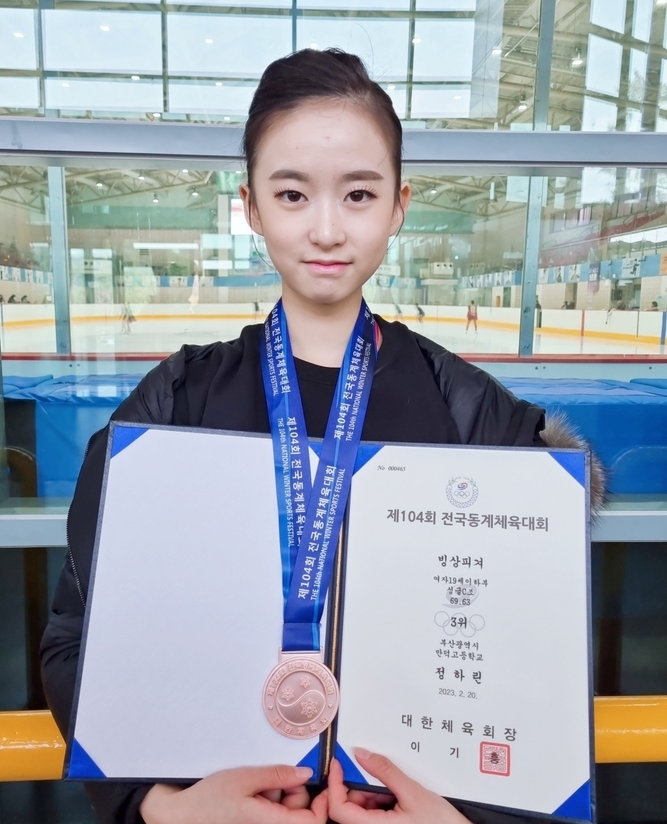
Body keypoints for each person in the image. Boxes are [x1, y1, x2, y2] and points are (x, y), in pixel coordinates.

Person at [41, 48, 591, 824]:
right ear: (251, 207)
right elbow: (76, 641)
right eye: (292, 194)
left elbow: (534, 675)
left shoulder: (476, 415)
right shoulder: (173, 405)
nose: (327, 229)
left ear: (398, 206)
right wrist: (163, 808)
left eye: (358, 194)